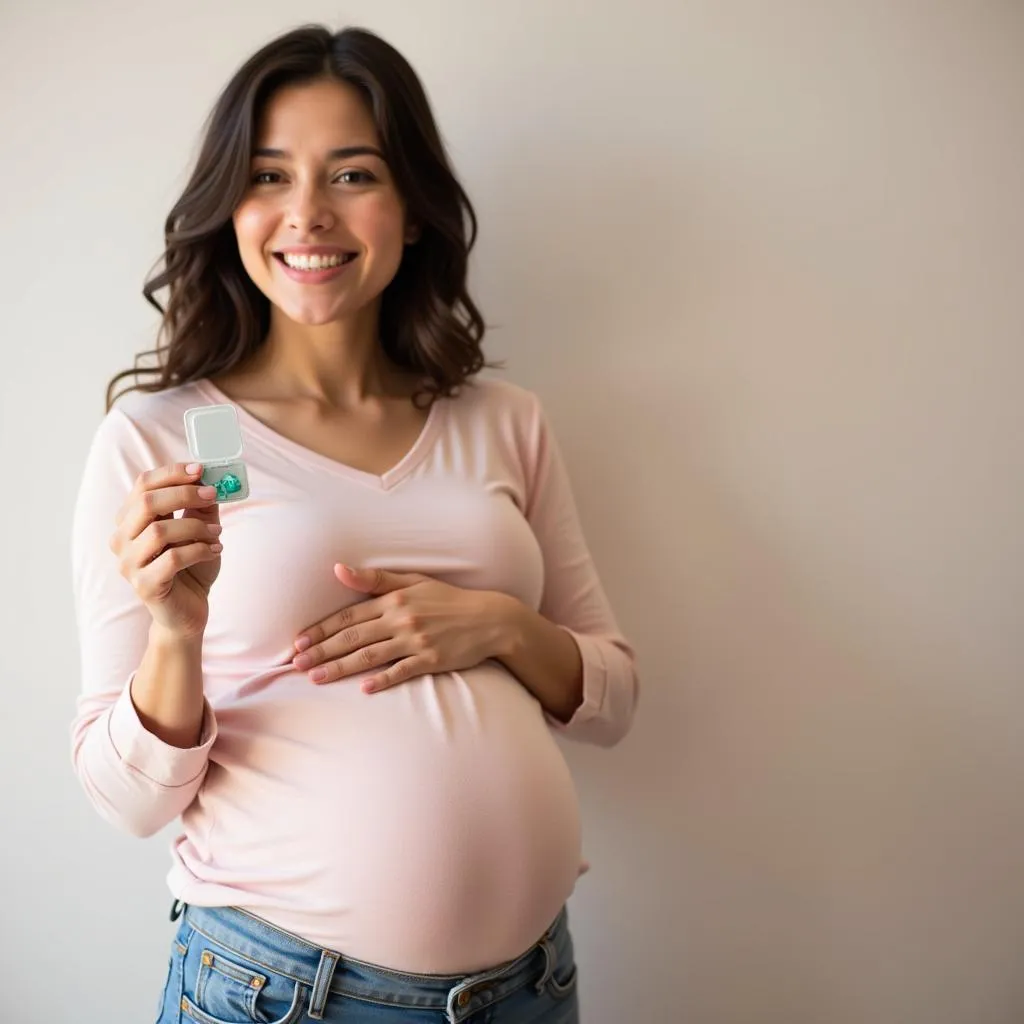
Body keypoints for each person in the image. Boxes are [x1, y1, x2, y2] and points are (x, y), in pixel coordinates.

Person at [70, 23, 638, 1024]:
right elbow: (128, 802)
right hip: (280, 994)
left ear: (413, 209)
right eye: (269, 176)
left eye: (353, 174)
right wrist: (176, 630)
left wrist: (500, 625)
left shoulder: (505, 421)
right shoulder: (154, 437)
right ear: (229, 208)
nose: (308, 215)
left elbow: (613, 697)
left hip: (529, 988)